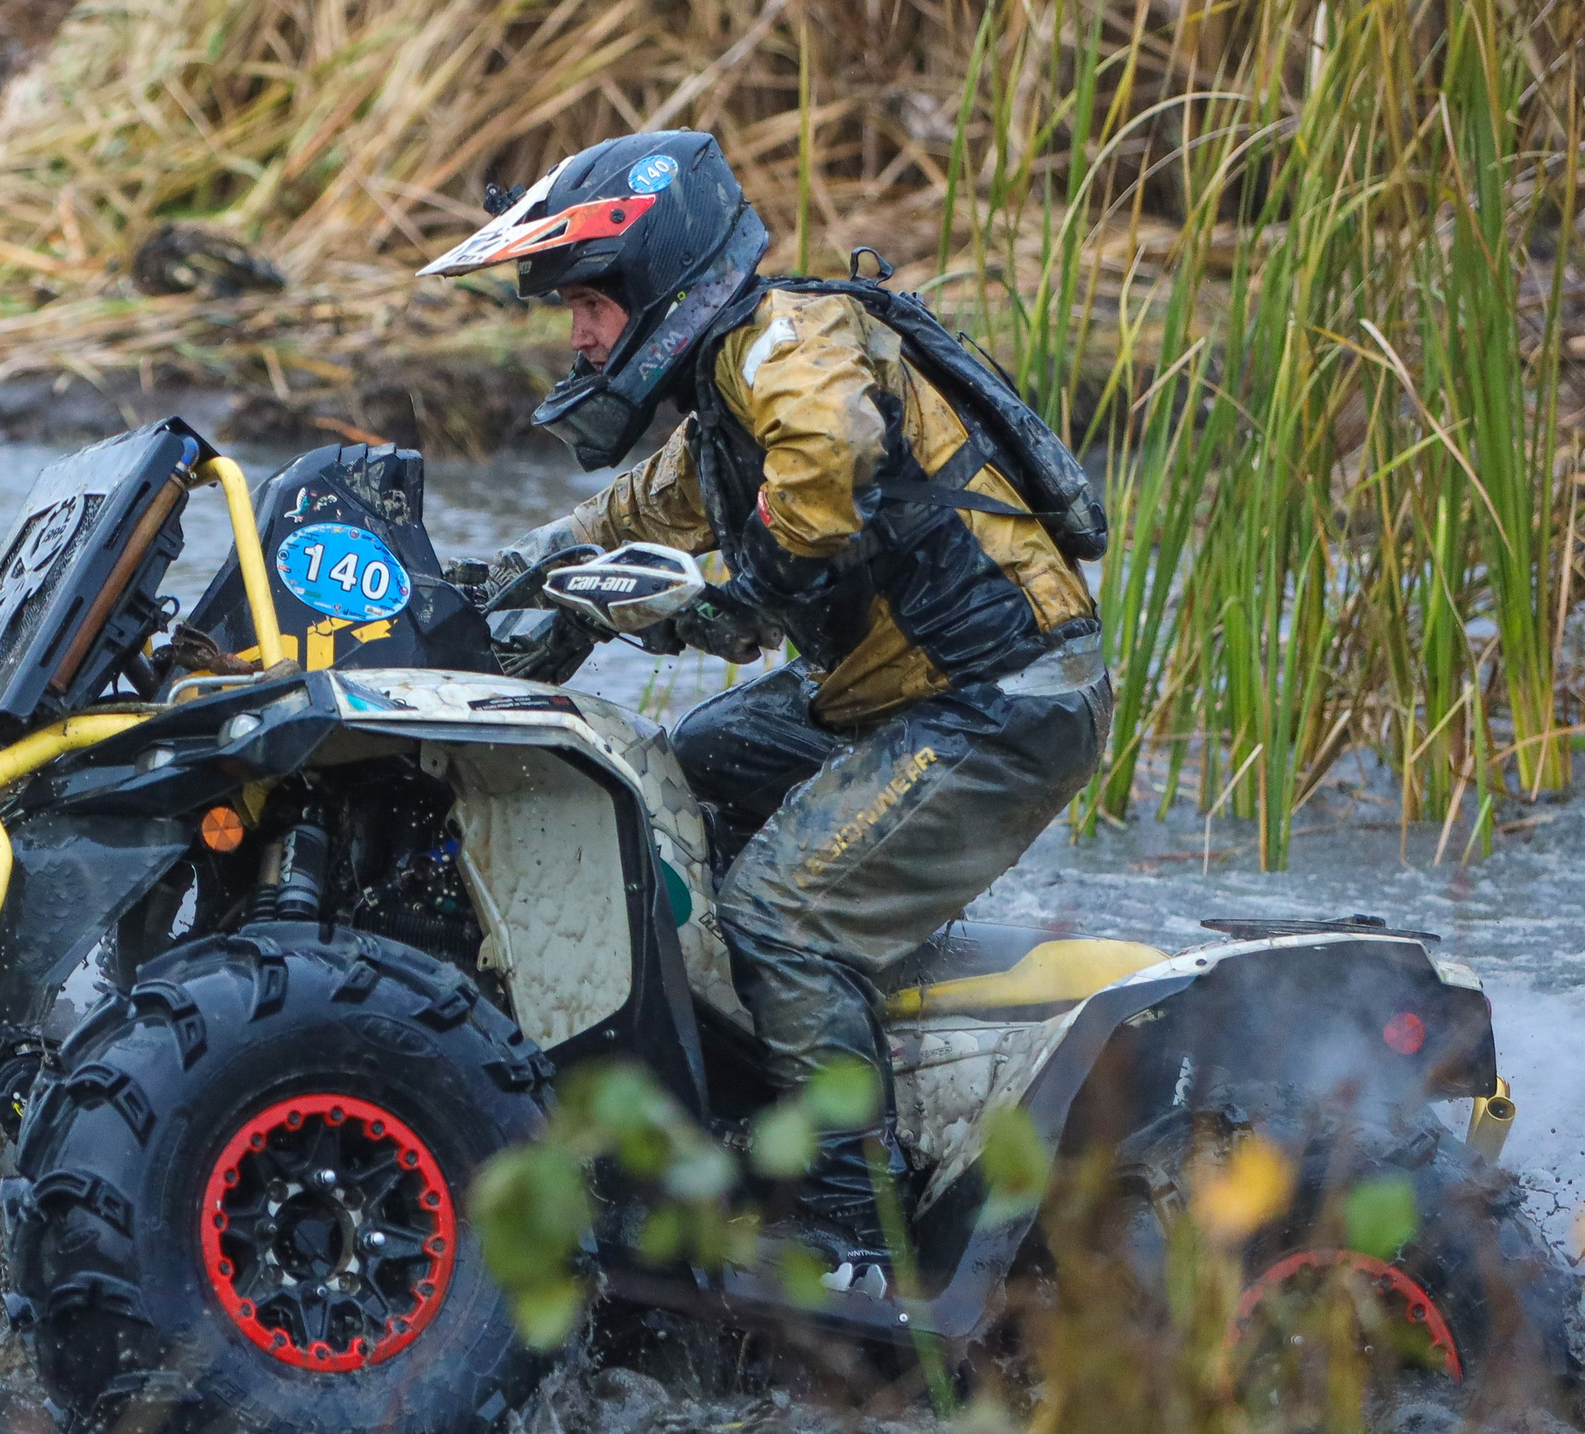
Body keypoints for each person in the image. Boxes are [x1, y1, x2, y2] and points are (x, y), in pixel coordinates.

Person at [419, 130, 1109, 1290]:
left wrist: (722, 597)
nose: (578, 336)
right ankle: (754, 1090)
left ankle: (849, 1219)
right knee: (681, 771)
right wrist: (485, 584)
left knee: (782, 915)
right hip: (890, 686)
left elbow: (829, 458)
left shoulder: (791, 338)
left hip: (1000, 695)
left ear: (656, 285)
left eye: (588, 304)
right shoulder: (721, 411)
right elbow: (619, 518)